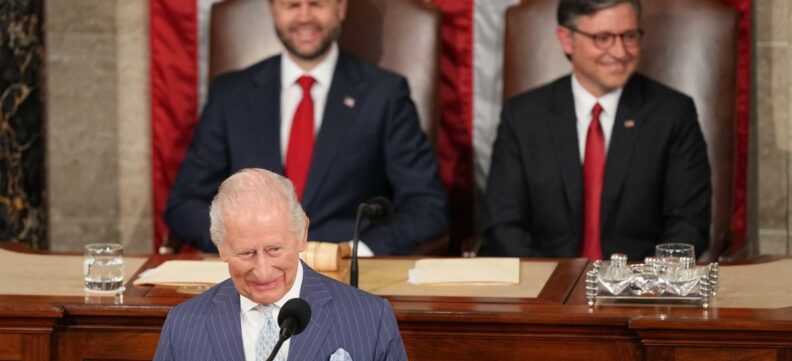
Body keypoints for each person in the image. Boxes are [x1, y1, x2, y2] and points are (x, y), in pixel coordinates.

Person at [139, 168, 422, 361]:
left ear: (302, 235)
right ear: (221, 247)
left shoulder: (369, 318)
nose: (263, 271)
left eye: (274, 249)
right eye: (246, 253)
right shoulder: (184, 324)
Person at [165, 0, 448, 256]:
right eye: (292, 5)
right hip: (250, 278)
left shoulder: (384, 94)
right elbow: (185, 202)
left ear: (341, 8)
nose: (304, 17)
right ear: (273, 9)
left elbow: (427, 205)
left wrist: (359, 252)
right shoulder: (231, 94)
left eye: (316, 4)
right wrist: (242, 247)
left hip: (347, 278)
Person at [482, 0, 711, 260]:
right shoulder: (522, 116)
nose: (620, 51)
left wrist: (641, 286)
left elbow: (689, 224)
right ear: (567, 39)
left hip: (641, 290)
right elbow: (503, 225)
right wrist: (551, 286)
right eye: (603, 38)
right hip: (547, 288)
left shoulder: (673, 113)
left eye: (629, 36)